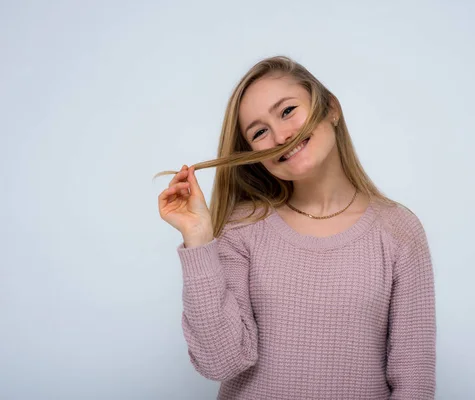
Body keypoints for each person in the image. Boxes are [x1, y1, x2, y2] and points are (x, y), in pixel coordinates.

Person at [156, 56, 436, 399]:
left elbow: (414, 380)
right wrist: (199, 238)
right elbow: (220, 363)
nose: (280, 136)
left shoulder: (399, 230)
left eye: (287, 111)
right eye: (259, 132)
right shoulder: (242, 228)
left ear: (330, 108)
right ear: (253, 154)